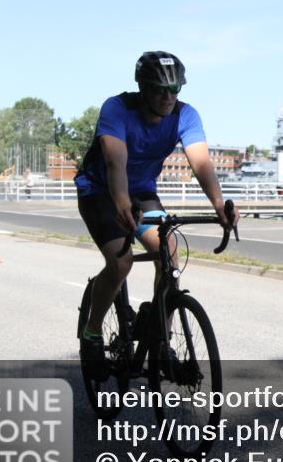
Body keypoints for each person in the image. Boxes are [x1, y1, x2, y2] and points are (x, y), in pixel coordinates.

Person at [75, 51, 238, 375]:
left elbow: (202, 163)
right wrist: (121, 203)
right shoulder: (117, 109)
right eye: (159, 89)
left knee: (169, 252)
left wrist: (219, 205)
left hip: (143, 193)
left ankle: (161, 344)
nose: (168, 97)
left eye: (175, 89)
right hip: (101, 191)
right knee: (121, 262)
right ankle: (91, 334)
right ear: (142, 86)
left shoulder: (185, 115)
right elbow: (114, 163)